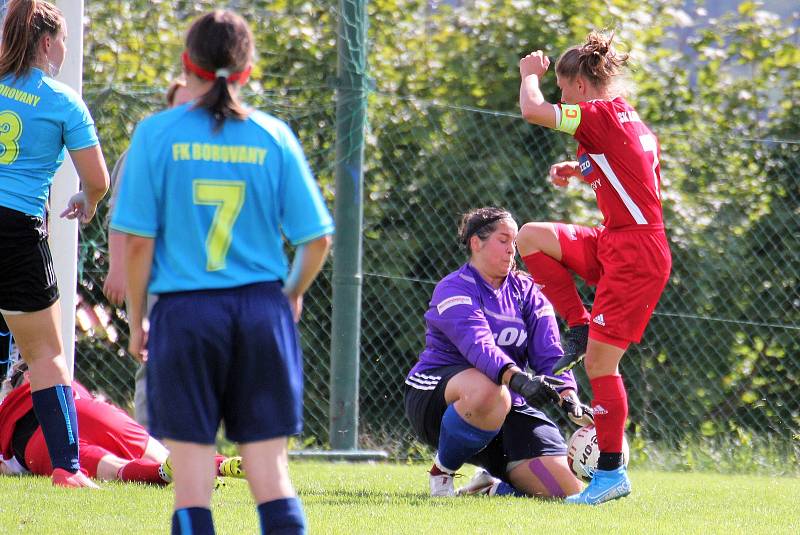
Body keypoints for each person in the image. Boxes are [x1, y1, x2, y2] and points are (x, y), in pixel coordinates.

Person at [111, 9, 333, 535]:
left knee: (191, 483)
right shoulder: (272, 136)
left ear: (187, 66)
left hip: (186, 315)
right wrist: (291, 293)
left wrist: (139, 318)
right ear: (248, 70)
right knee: (270, 474)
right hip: (260, 310)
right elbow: (317, 239)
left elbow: (138, 243)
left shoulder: (156, 134)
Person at [516, 31, 672, 504]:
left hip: (635, 254)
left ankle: (610, 474)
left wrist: (529, 77)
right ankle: (578, 324)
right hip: (617, 241)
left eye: (564, 89)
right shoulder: (630, 119)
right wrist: (576, 169)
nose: (562, 98)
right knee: (532, 237)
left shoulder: (598, 113)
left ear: (581, 86)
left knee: (604, 365)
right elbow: (623, 172)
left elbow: (533, 111)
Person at [404, 207, 594, 499]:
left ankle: (492, 487)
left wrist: (570, 398)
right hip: (438, 398)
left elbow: (549, 354)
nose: (512, 250)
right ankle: (442, 472)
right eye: (503, 240)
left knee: (565, 491)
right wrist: (519, 380)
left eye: (515, 241)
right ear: (476, 243)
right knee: (490, 390)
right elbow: (479, 347)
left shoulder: (527, 289)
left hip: (506, 402)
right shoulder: (453, 288)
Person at [0, 0, 109, 489]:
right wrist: (85, 200)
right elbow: (98, 179)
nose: (65, 48)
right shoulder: (62, 101)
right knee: (46, 355)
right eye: (63, 39)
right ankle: (67, 468)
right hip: (16, 232)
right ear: (47, 42)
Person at [102, 78, 193, 428]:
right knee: (152, 359)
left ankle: (189, 448)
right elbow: (120, 216)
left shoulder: (206, 152)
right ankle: (152, 450)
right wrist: (118, 268)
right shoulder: (145, 149)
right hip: (151, 273)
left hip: (194, 275)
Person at [0, 361, 245, 485]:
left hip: (39, 441)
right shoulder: (65, 381)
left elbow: (5, 468)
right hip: (87, 410)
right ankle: (222, 465)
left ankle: (161, 474)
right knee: (164, 454)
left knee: (117, 469)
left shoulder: (8, 408)